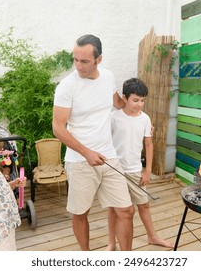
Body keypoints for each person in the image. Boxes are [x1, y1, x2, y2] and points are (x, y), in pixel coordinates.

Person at [52, 34, 135, 251]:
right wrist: (86, 152)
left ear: (99, 59)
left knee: (126, 211)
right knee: (81, 213)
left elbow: (116, 103)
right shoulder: (66, 87)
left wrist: (139, 116)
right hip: (80, 160)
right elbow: (58, 128)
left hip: (109, 156)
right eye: (75, 60)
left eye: (85, 61)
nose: (78, 66)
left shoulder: (108, 77)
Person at [107, 78, 174, 250]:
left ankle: (152, 236)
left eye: (142, 100)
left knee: (144, 204)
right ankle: (111, 243)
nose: (139, 104)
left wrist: (147, 171)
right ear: (125, 97)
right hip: (116, 171)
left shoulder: (145, 119)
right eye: (135, 100)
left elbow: (149, 144)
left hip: (136, 169)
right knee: (115, 209)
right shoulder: (114, 118)